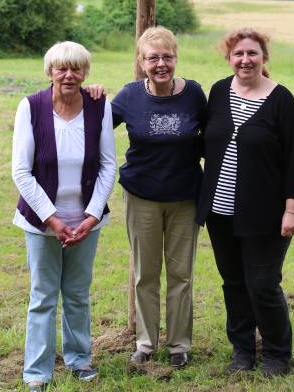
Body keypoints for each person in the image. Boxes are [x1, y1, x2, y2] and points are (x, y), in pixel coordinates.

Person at [197, 28, 294, 378]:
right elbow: (204, 141)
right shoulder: (218, 92)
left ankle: (278, 355)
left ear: (264, 58)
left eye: (252, 53)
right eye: (238, 54)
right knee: (233, 283)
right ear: (229, 58)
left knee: (262, 285)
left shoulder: (282, 100)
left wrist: (292, 208)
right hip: (220, 212)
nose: (245, 60)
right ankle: (243, 351)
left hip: (266, 214)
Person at [89, 26, 207, 368]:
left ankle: (179, 346)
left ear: (176, 59)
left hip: (185, 197)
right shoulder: (128, 96)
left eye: (167, 57)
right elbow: (92, 128)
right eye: (152, 58)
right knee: (145, 273)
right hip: (142, 196)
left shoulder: (195, 95)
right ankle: (145, 343)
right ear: (141, 62)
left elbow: (216, 135)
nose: (160, 64)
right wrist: (90, 96)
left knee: (182, 274)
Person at [12, 41, 116, 391]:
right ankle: (37, 372)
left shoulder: (100, 106)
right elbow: (21, 172)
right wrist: (52, 219)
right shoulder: (30, 107)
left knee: (76, 293)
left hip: (86, 221)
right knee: (43, 296)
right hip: (42, 223)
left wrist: (91, 216)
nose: (69, 75)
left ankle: (79, 360)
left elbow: (107, 165)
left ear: (86, 72)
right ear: (50, 71)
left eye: (76, 68)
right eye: (61, 68)